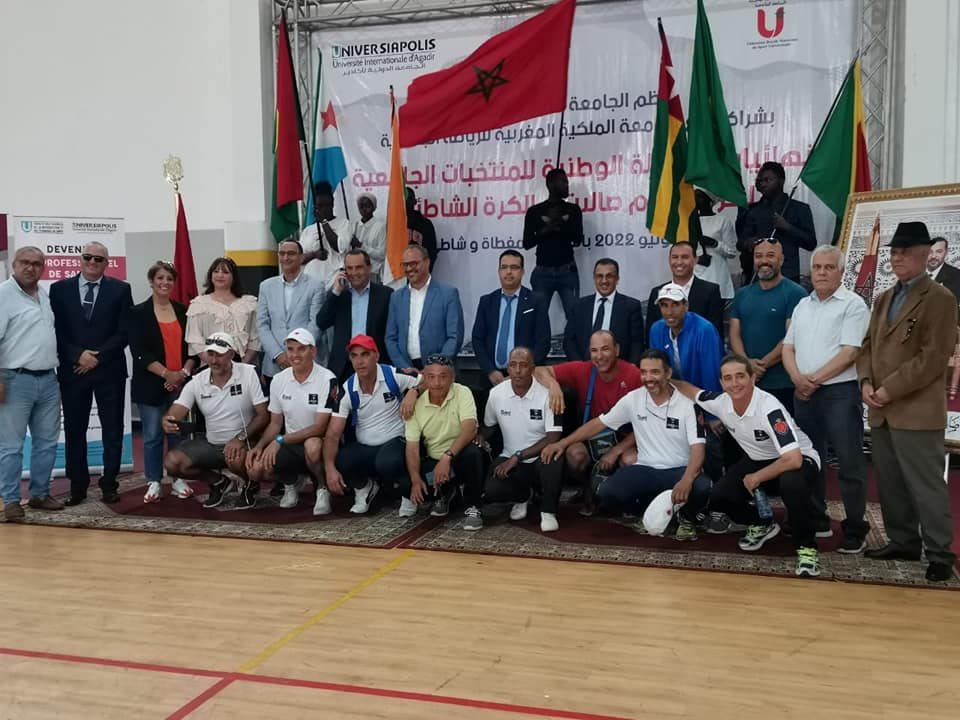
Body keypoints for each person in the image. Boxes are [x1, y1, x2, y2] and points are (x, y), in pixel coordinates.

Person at [856, 221, 958, 583]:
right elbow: (867, 345)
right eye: (894, 253)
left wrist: (890, 388)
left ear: (923, 255)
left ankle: (940, 553)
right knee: (890, 482)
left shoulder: (941, 299)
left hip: (914, 410)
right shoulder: (885, 296)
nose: (897, 258)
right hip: (881, 409)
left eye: (904, 253)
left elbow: (934, 357)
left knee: (925, 485)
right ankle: (902, 541)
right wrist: (866, 381)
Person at [673, 354, 823, 577]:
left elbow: (793, 459)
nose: (735, 384)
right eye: (728, 378)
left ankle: (807, 548)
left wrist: (757, 477)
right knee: (719, 496)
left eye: (740, 376)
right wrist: (663, 378)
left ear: (753, 378)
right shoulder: (720, 402)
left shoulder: (769, 408)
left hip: (799, 458)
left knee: (792, 485)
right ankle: (762, 522)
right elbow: (690, 389)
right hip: (758, 459)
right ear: (722, 383)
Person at [542, 349, 708, 540]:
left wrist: (686, 480)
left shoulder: (687, 405)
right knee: (606, 492)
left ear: (668, 373)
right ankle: (648, 514)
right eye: (644, 372)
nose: (648, 378)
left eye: (655, 372)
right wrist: (563, 443)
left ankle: (685, 518)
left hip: (680, 469)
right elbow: (598, 423)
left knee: (703, 488)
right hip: (646, 469)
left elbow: (698, 448)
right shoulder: (633, 399)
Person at [782, 246, 870, 551]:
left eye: (828, 267)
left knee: (849, 461)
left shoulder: (854, 305)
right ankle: (817, 519)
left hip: (838, 393)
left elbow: (850, 352)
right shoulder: (802, 306)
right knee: (811, 458)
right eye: (817, 267)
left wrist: (812, 380)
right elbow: (787, 348)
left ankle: (855, 527)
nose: (820, 272)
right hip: (804, 391)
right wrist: (797, 379)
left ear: (841, 272)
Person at [49, 241, 133, 506]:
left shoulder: (121, 289)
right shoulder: (58, 290)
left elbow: (124, 331)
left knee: (112, 430)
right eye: (88, 257)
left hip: (109, 371)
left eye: (99, 259)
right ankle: (78, 486)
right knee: (75, 430)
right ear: (80, 259)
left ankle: (109, 484)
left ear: (107, 263)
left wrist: (95, 358)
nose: (93, 263)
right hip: (73, 371)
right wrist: (78, 356)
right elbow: (55, 331)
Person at [533, 330, 642, 513]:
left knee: (631, 460)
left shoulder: (633, 375)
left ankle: (626, 499)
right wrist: (554, 386)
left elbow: (644, 425)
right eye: (594, 351)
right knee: (574, 455)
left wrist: (616, 450)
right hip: (591, 438)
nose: (599, 356)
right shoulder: (583, 370)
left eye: (605, 349)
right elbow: (538, 370)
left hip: (626, 440)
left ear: (617, 350)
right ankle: (588, 490)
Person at [162, 332, 269, 509]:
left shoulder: (248, 374)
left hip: (244, 441)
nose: (213, 360)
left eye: (219, 354)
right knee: (172, 462)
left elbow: (263, 415)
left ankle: (250, 484)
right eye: (210, 354)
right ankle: (219, 482)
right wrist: (168, 420)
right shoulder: (198, 380)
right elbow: (177, 410)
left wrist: (240, 438)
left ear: (232, 354)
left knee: (234, 456)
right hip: (211, 444)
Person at [322, 335, 420, 517]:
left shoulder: (393, 375)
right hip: (366, 445)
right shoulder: (346, 389)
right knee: (340, 459)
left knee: (388, 461)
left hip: (396, 439)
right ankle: (365, 488)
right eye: (354, 356)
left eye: (365, 354)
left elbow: (427, 379)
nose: (360, 361)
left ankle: (407, 495)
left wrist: (414, 391)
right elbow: (333, 434)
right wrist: (329, 469)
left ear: (376, 355)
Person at [0, 246, 63, 522]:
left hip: (48, 379)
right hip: (14, 380)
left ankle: (39, 493)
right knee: (11, 446)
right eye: (25, 262)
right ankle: (12, 501)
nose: (31, 268)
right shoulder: (4, 295)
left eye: (37, 264)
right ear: (14, 265)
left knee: (47, 443)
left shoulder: (44, 295)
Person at [128, 261, 199, 503]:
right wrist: (166, 374)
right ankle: (154, 481)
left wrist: (182, 374)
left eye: (169, 279)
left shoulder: (183, 311)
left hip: (180, 384)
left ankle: (178, 478)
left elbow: (192, 348)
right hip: (151, 384)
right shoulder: (137, 313)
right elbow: (139, 352)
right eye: (160, 278)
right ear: (151, 281)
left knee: (178, 434)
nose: (164, 283)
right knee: (152, 436)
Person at [245, 328, 338, 511]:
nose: (295, 355)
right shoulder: (279, 380)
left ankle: (322, 487)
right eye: (290, 349)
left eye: (301, 349)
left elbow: (320, 428)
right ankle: (291, 482)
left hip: (320, 441)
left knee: (312, 445)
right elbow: (275, 423)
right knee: (255, 469)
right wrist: (259, 447)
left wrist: (280, 440)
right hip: (290, 441)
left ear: (313, 351)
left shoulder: (328, 378)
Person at [480, 347, 564, 532]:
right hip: (511, 457)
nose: (518, 371)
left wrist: (518, 456)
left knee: (555, 457)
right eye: (513, 365)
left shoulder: (548, 393)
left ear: (532, 369)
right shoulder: (496, 394)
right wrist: (478, 437)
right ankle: (523, 496)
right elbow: (489, 426)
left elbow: (553, 437)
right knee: (492, 488)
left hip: (540, 457)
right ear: (507, 369)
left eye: (523, 366)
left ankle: (548, 511)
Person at [404, 354, 488, 529]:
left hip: (458, 458)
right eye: (431, 377)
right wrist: (415, 479)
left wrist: (446, 457)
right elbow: (412, 448)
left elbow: (470, 429)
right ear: (424, 379)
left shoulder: (462, 392)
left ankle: (473, 506)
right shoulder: (415, 403)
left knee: (474, 453)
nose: (437, 383)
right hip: (435, 465)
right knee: (407, 484)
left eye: (443, 376)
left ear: (453, 378)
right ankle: (446, 493)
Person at [729, 238, 807, 413]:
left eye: (770, 256)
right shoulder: (742, 294)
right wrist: (747, 365)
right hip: (746, 383)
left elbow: (791, 337)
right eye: (759, 256)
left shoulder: (796, 293)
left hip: (782, 383)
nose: (764, 261)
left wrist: (761, 365)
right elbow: (734, 334)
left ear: (781, 259)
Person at [471, 250, 550, 387]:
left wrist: (523, 372)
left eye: (514, 267)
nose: (508, 272)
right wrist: (490, 371)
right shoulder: (487, 301)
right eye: (504, 267)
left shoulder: (536, 301)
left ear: (522, 272)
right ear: (499, 271)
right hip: (491, 378)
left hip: (526, 378)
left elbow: (543, 341)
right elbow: (477, 339)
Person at [316, 248, 393, 381]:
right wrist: (336, 292)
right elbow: (321, 322)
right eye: (349, 268)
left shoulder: (386, 294)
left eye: (359, 267)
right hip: (344, 366)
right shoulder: (339, 295)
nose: (354, 273)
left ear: (369, 268)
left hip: (375, 364)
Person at [385, 244, 464, 371]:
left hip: (440, 372)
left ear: (427, 262)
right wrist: (404, 367)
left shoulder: (448, 294)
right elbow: (391, 338)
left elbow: (454, 337)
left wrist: (435, 366)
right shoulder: (396, 297)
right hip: (408, 372)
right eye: (405, 265)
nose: (409, 268)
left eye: (414, 263)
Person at [256, 240, 324, 384]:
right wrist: (278, 354)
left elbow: (316, 323)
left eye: (291, 254)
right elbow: (262, 325)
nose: (286, 258)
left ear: (301, 258)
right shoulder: (266, 286)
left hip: (306, 363)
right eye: (282, 253)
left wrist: (298, 353)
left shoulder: (316, 285)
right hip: (274, 364)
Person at [736, 161, 816, 282]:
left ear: (781, 181)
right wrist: (749, 243)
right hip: (758, 277)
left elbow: (811, 243)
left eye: (767, 180)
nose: (763, 184)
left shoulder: (799, 208)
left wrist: (787, 227)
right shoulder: (752, 210)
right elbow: (740, 243)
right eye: (760, 181)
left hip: (788, 277)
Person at [522, 168, 584, 323]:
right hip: (542, 273)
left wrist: (561, 223)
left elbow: (577, 240)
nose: (567, 185)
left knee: (575, 316)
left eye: (567, 182)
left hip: (567, 271)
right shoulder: (535, 211)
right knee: (538, 318)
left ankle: (572, 347)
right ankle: (541, 348)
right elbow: (527, 243)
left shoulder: (573, 210)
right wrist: (547, 228)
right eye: (563, 182)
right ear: (551, 184)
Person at [564, 258, 644, 364]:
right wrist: (580, 367)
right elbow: (569, 341)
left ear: (617, 279)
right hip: (584, 370)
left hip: (619, 371)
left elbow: (637, 343)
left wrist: (630, 369)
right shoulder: (579, 305)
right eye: (600, 276)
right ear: (594, 278)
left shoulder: (631, 306)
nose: (604, 281)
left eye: (609, 276)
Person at [648, 283, 722, 391]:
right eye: (664, 305)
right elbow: (657, 371)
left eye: (675, 304)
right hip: (672, 394)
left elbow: (711, 376)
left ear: (686, 306)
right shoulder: (656, 329)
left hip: (701, 395)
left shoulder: (704, 330)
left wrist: (707, 403)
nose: (669, 312)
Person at [185, 257, 259, 363]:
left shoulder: (248, 303)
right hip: (211, 362)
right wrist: (213, 361)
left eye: (225, 272)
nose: (220, 275)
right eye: (216, 271)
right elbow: (194, 339)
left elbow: (255, 337)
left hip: (243, 362)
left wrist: (244, 363)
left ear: (234, 276)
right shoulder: (199, 304)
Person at [646, 242, 724, 341]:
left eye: (685, 257)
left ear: (695, 260)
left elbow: (715, 333)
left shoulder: (711, 291)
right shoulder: (657, 292)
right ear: (669, 260)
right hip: (664, 354)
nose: (679, 262)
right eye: (675, 257)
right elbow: (650, 334)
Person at [300, 180, 352, 291]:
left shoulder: (344, 224)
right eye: (320, 206)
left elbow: (339, 247)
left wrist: (323, 222)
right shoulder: (308, 230)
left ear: (333, 203)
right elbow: (299, 259)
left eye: (327, 205)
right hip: (310, 283)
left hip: (335, 281)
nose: (324, 209)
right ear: (315, 207)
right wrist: (314, 254)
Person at [693, 189, 738, 298]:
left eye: (699, 197)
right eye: (694, 196)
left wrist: (714, 243)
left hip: (717, 275)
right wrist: (697, 259)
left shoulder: (722, 221)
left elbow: (732, 252)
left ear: (709, 200)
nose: (695, 200)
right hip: (696, 274)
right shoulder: (691, 222)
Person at [350, 192, 386, 280]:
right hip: (354, 272)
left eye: (367, 206)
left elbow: (381, 255)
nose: (364, 209)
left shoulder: (380, 226)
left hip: (372, 273)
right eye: (361, 206)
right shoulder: (354, 226)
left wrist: (361, 246)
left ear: (373, 207)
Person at [406, 187, 438, 270]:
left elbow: (431, 251)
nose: (405, 202)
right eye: (402, 199)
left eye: (408, 199)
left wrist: (425, 271)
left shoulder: (425, 224)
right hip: (398, 276)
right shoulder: (393, 225)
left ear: (415, 201)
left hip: (420, 272)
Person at [927, 236, 960, 304]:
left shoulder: (957, 276)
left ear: (946, 252)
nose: (933, 256)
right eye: (930, 252)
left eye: (939, 252)